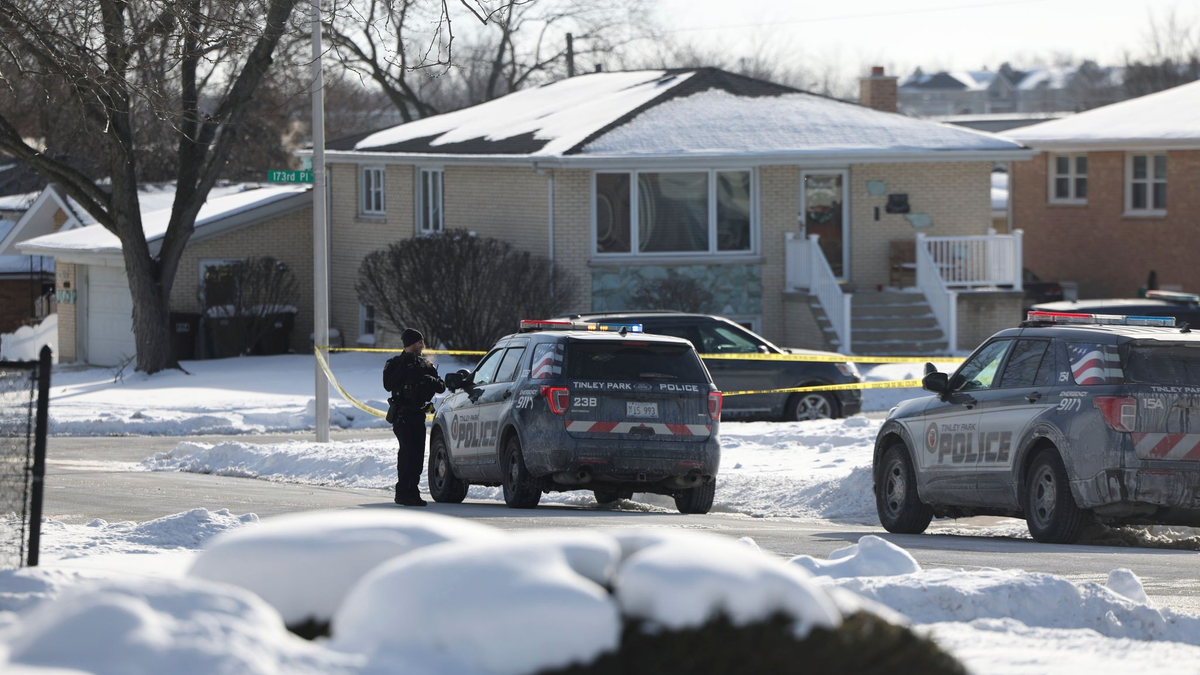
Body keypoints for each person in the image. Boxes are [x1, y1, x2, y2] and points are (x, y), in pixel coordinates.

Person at [383, 328, 445, 506]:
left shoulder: (425, 364)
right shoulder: (395, 363)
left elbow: (441, 386)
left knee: (417, 456)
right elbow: (388, 384)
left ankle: (413, 491)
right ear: (411, 344)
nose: (422, 346)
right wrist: (405, 365)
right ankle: (403, 492)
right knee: (407, 453)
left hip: (418, 415)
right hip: (402, 415)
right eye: (419, 342)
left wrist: (430, 381)